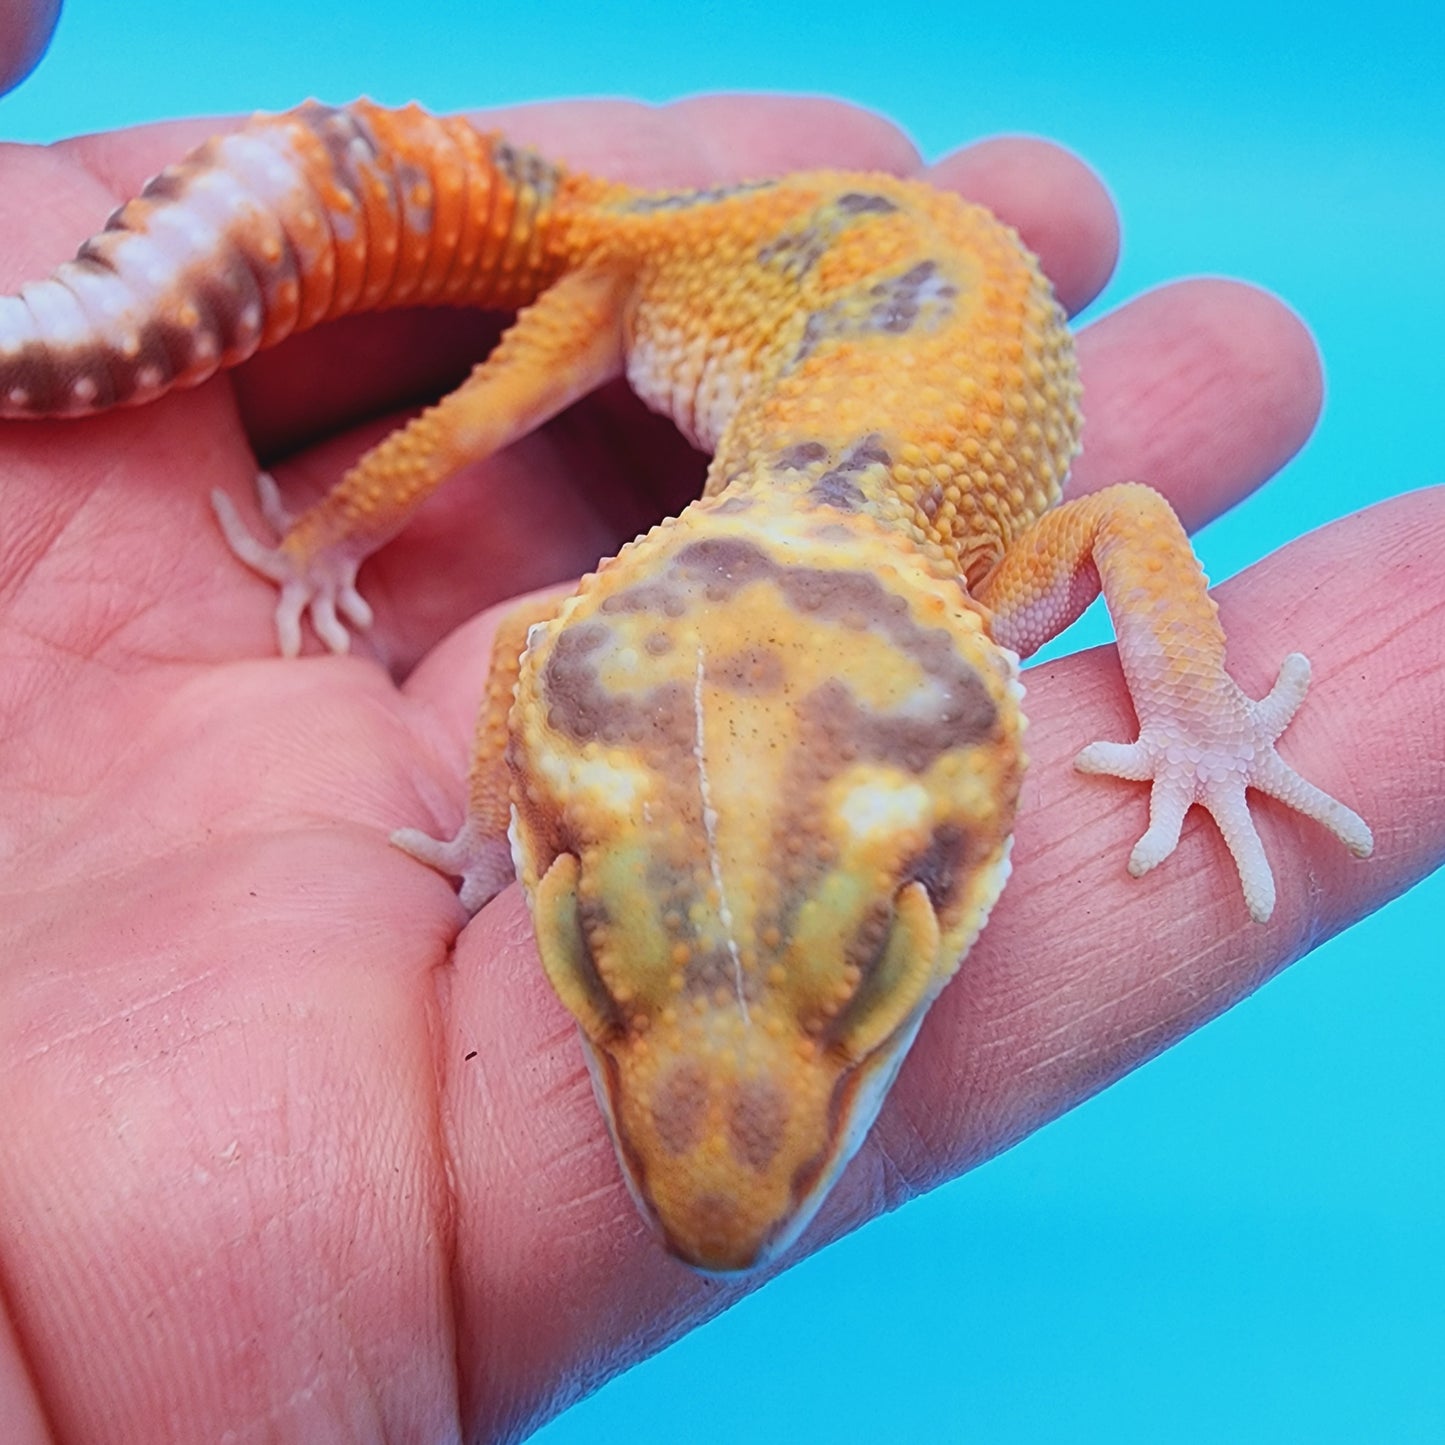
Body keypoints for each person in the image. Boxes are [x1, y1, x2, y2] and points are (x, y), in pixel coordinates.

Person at [1, 22, 1439, 1445]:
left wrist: (1198, 722)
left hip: (826, 282)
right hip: (675, 262)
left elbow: (1120, 522)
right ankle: (304, 522)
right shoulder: (904, 584)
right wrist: (332, 557)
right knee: (468, 422)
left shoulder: (960, 589)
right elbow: (528, 641)